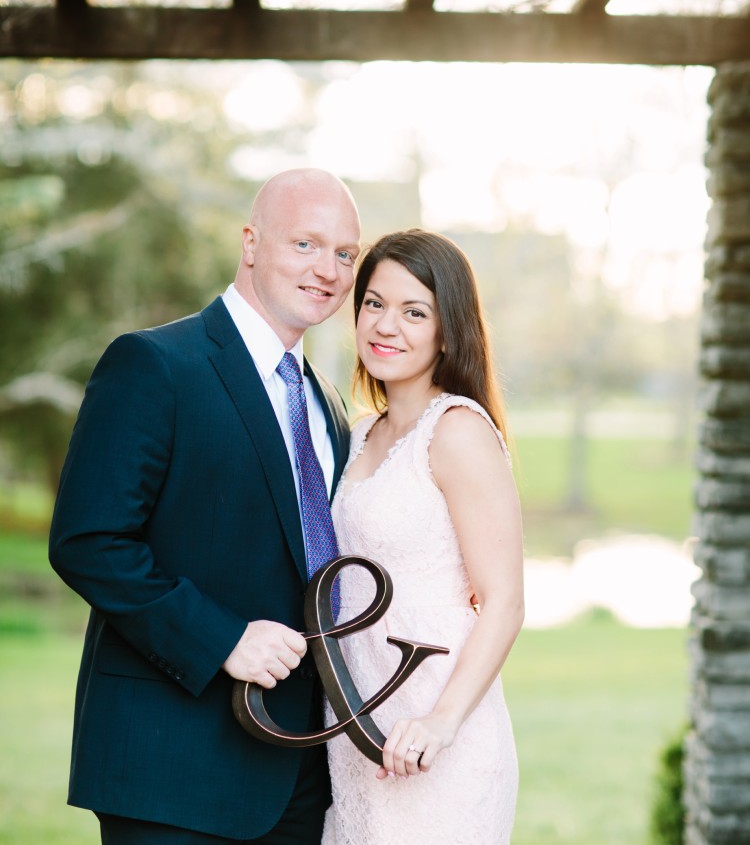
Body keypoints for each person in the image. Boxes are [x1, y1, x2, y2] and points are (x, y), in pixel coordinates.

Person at [49, 168, 361, 845]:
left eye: (345, 253)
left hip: (300, 769)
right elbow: (89, 540)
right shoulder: (153, 364)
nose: (328, 270)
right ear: (251, 242)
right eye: (306, 244)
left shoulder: (327, 402)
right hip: (172, 767)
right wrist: (224, 638)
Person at [322, 229, 524, 845]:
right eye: (375, 303)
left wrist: (441, 722)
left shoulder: (458, 431)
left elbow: (505, 602)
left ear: (448, 329)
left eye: (415, 312)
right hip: (357, 728)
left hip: (438, 738)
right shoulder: (357, 435)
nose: (386, 325)